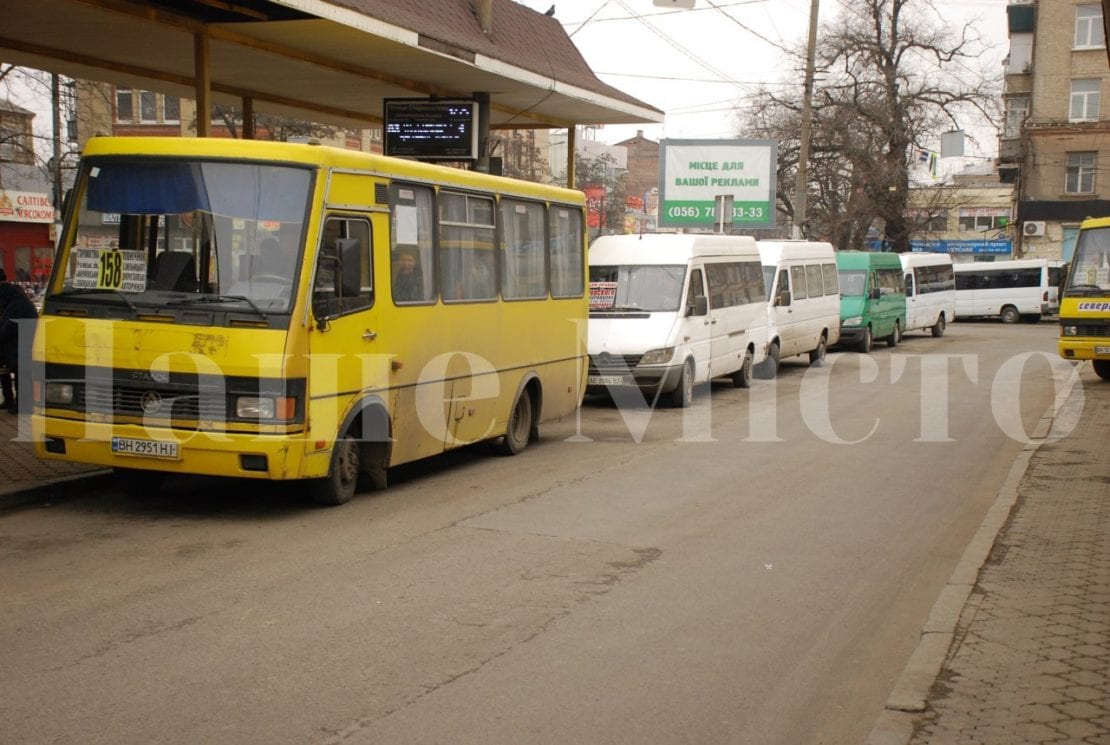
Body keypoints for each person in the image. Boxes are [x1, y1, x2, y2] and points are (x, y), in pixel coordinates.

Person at [0, 281, 39, 412]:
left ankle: (22, 404)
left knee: (19, 369)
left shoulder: (16, 306)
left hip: (24, 347)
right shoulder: (14, 302)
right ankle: (10, 399)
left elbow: (7, 329)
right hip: (19, 345)